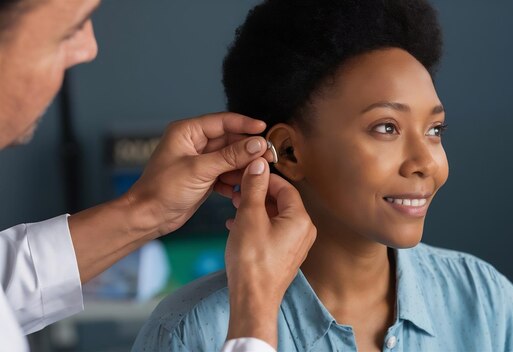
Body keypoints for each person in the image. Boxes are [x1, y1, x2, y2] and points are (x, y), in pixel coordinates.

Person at [132, 0, 513, 351]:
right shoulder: (191, 332)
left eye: (435, 130)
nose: (427, 162)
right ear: (290, 152)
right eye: (386, 127)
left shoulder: (489, 304)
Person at [0, 0, 316, 351]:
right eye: (70, 28)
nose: (89, 48)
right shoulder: (186, 330)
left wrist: (147, 209)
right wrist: (255, 304)